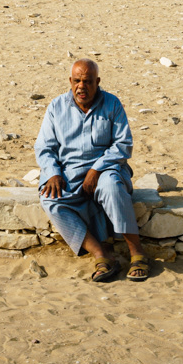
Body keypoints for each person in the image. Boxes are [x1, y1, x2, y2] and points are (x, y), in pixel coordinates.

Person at [35, 58, 148, 282]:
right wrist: (53, 172)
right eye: (77, 81)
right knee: (50, 199)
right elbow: (44, 147)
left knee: (112, 187)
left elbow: (123, 145)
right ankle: (101, 254)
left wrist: (96, 170)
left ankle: (137, 252)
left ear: (97, 82)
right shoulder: (56, 107)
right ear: (70, 81)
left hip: (106, 168)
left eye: (87, 81)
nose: (81, 86)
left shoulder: (112, 104)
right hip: (69, 171)